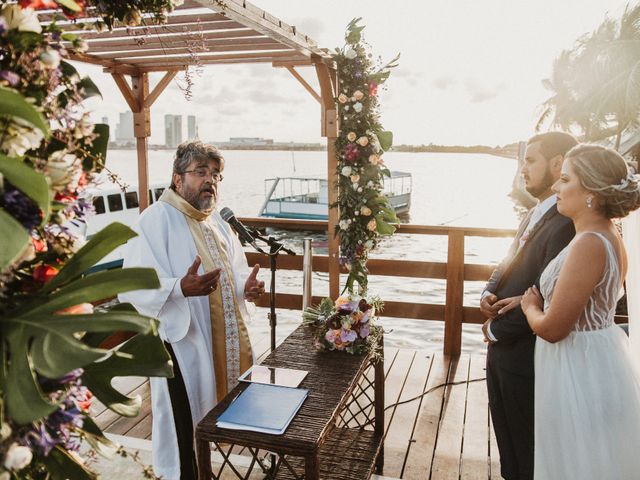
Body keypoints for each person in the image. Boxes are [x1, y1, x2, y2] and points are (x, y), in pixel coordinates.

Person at [119, 141, 265, 480]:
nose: (210, 180)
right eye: (201, 172)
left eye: (215, 174)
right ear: (177, 178)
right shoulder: (155, 220)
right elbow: (132, 283)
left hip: (218, 344)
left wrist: (247, 288)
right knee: (183, 426)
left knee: (210, 422)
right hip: (180, 347)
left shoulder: (217, 224)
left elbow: (236, 274)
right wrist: (178, 287)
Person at [521, 144, 640, 479]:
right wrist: (523, 301)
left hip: (578, 367)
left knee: (577, 463)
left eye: (565, 179)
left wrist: (531, 309)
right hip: (597, 357)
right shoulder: (608, 236)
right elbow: (586, 302)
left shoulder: (589, 243)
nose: (557, 188)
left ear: (591, 191)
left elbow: (553, 328)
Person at [480, 132, 577, 480]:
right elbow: (508, 261)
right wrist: (487, 292)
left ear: (557, 163)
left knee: (529, 453)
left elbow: (548, 296)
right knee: (509, 450)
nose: (523, 169)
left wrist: (494, 330)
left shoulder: (567, 224)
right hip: (503, 354)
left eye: (530, 160)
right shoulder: (536, 211)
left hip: (528, 358)